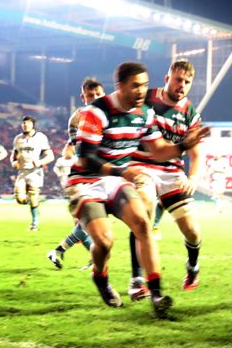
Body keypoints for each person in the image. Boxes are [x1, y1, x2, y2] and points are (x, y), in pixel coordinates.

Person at [66, 61, 209, 316]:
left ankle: (155, 294)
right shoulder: (96, 112)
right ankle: (101, 278)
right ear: (120, 86)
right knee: (104, 241)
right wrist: (122, 170)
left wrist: (183, 146)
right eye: (135, 86)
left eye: (144, 85)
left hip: (117, 180)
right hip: (85, 183)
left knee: (143, 223)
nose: (142, 91)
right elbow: (88, 159)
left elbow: (159, 149)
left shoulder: (144, 113)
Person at [130, 60, 205, 293]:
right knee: (143, 210)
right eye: (178, 79)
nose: (182, 85)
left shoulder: (190, 113)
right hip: (142, 165)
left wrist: (192, 179)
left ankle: (193, 266)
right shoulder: (146, 98)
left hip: (172, 173)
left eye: (187, 82)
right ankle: (137, 279)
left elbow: (197, 154)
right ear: (167, 79)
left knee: (192, 231)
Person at [47, 77, 105, 269]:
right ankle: (63, 252)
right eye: (90, 95)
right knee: (88, 222)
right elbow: (82, 150)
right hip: (87, 176)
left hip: (105, 175)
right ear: (83, 97)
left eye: (98, 94)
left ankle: (62, 252)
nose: (95, 98)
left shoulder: (112, 114)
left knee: (89, 223)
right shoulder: (77, 118)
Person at [11, 116, 55, 231]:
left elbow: (50, 156)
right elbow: (14, 155)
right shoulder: (18, 139)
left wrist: (40, 162)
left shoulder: (40, 137)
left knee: (33, 196)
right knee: (20, 199)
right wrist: (14, 162)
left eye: (27, 123)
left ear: (33, 125)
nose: (25, 125)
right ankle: (33, 203)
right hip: (22, 172)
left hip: (35, 172)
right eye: (23, 123)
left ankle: (34, 224)